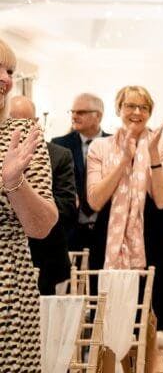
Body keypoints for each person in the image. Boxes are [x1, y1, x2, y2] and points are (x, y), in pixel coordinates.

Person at [87, 86, 163, 335]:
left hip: (153, 236)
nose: (137, 112)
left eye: (144, 107)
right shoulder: (100, 147)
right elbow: (94, 201)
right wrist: (123, 162)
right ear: (119, 109)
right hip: (108, 238)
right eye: (130, 105)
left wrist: (152, 155)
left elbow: (162, 200)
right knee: (106, 324)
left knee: (150, 324)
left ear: (150, 112)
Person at [0, 38, 57, 371]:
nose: (6, 79)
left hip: (7, 288)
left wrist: (13, 182)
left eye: (10, 71)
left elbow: (41, 226)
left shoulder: (21, 133)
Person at [10, 96, 77, 296]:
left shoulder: (58, 155)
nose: (18, 130)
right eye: (13, 123)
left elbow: (66, 208)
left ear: (36, 122)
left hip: (46, 257)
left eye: (25, 123)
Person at [52, 93, 110, 253]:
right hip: (71, 230)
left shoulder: (114, 144)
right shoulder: (59, 145)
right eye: (73, 112)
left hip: (106, 228)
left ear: (98, 115)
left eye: (81, 112)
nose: (74, 116)